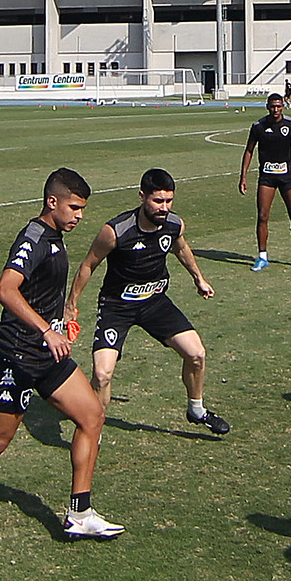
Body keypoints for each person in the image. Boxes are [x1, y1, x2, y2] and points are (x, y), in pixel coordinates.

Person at [0, 167, 121, 560]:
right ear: (52, 202)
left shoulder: (56, 238)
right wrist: (46, 329)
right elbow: (5, 290)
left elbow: (40, 292)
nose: (79, 216)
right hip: (15, 355)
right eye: (74, 207)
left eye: (83, 209)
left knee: (92, 415)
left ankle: (79, 512)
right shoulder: (35, 237)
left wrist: (60, 321)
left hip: (46, 355)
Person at [66, 168, 229, 435]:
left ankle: (196, 409)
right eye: (158, 201)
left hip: (154, 302)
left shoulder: (174, 224)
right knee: (103, 373)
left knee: (196, 353)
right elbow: (88, 265)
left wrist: (198, 278)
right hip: (117, 306)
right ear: (142, 197)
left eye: (168, 201)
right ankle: (92, 431)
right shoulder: (116, 231)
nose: (164, 207)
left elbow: (181, 248)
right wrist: (71, 306)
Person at [239, 93, 291, 271]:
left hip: (287, 177)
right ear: (267, 107)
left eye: (279, 106)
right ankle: (262, 256)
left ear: (283, 107)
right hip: (267, 178)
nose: (276, 109)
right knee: (263, 216)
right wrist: (243, 176)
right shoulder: (258, 127)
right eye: (273, 106)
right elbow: (249, 151)